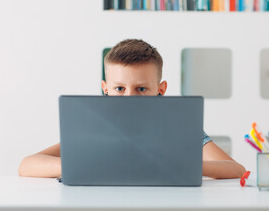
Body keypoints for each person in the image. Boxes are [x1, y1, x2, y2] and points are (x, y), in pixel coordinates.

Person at [18, 39, 246, 179]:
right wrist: (80, 164)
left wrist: (183, 164)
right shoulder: (95, 127)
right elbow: (27, 165)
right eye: (119, 88)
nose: (129, 97)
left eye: (141, 88)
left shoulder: (179, 127)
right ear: (105, 89)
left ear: (161, 89)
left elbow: (235, 169)